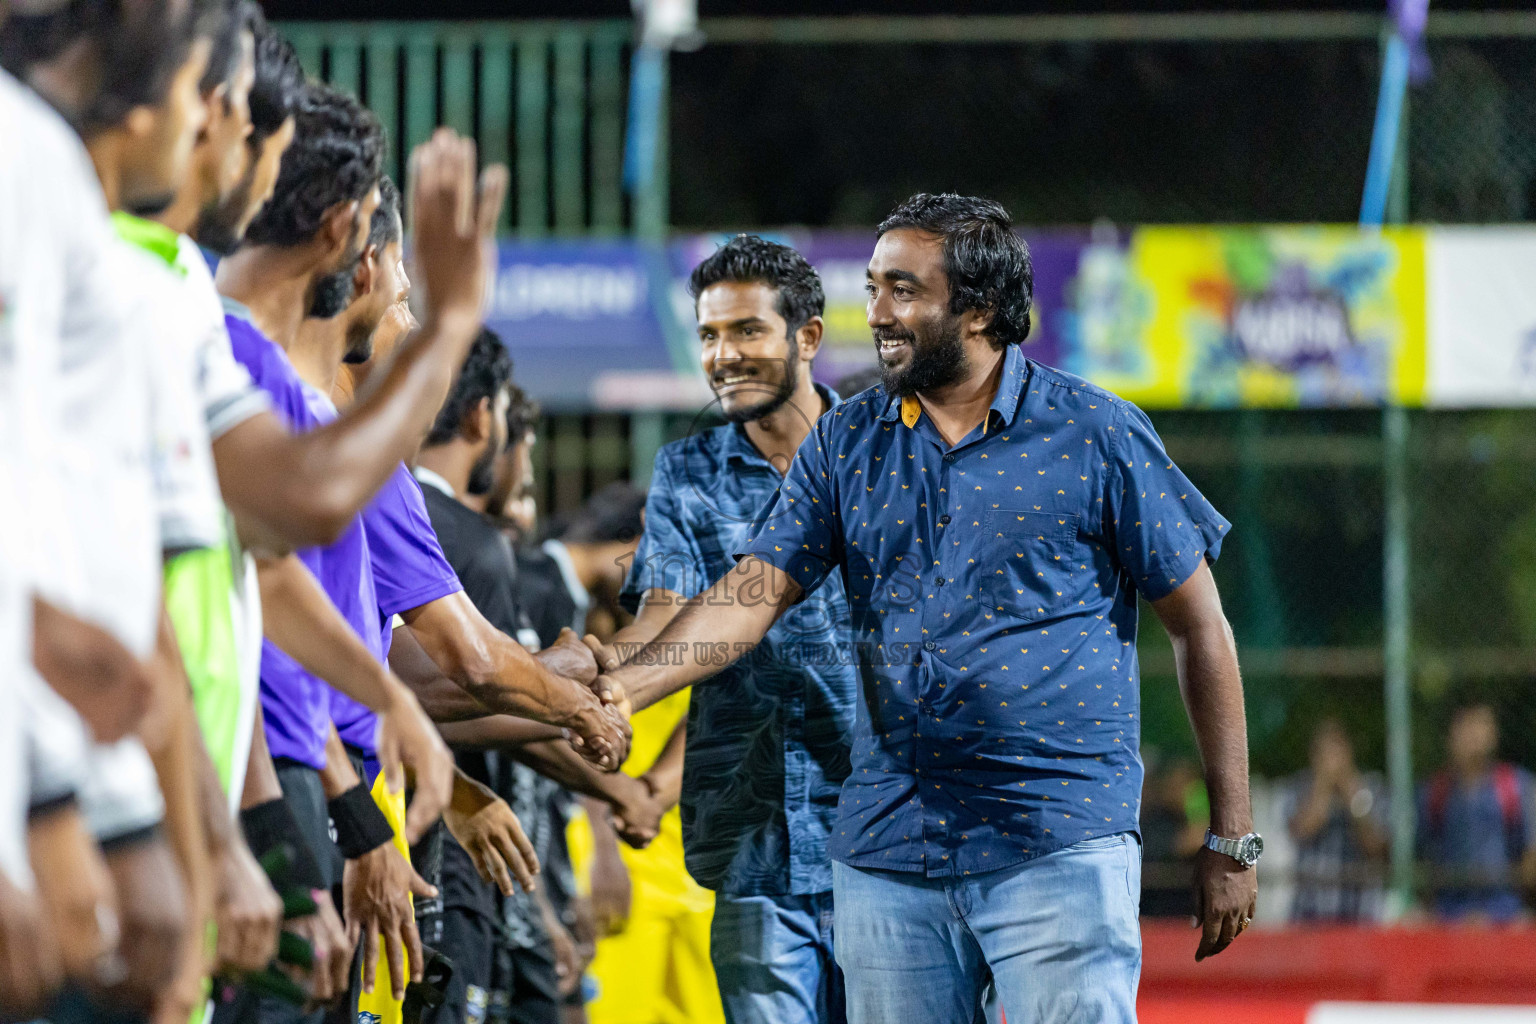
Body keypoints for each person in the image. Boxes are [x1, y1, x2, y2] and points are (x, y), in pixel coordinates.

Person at [593, 193, 1258, 1023]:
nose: (876, 313)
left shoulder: (1097, 434)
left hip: (1056, 845)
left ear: (978, 308)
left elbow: (1201, 627)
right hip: (888, 857)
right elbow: (749, 596)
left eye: (903, 291)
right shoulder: (847, 442)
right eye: (872, 288)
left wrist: (1233, 835)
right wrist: (622, 690)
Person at [588, 234, 859, 1024]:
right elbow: (666, 615)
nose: (723, 355)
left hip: (884, 829)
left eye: (747, 331)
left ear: (806, 338)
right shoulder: (687, 471)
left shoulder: (882, 453)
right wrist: (596, 679)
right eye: (708, 335)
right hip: (751, 836)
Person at [1418, 703, 1536, 922]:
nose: (1473, 734)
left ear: (1494, 734)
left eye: (1480, 724)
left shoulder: (1517, 786)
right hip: (1446, 915)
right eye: (1466, 725)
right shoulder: (1434, 792)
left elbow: (1531, 855)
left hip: (1505, 912)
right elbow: (1423, 858)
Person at [1280, 719, 1389, 922]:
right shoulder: (1298, 788)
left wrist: (1351, 791)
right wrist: (1323, 786)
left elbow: (1375, 846)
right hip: (1308, 915)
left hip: (1359, 915)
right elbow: (1303, 830)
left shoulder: (1372, 788)